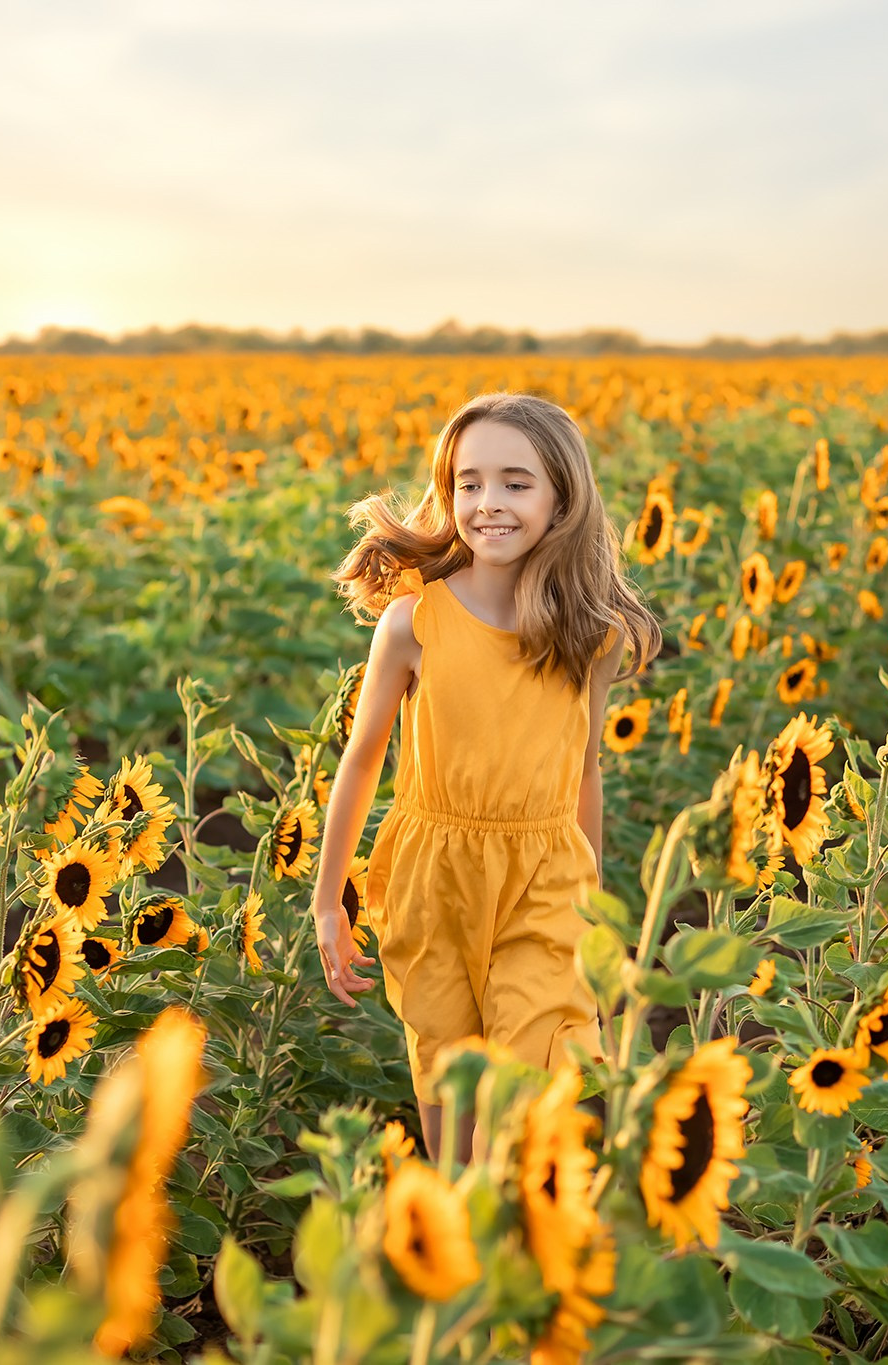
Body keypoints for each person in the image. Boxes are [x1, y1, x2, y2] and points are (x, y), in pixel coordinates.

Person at [311, 391, 662, 1169]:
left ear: (562, 498)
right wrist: (328, 895)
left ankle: (512, 1234)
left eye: (515, 482)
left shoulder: (591, 634)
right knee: (449, 1079)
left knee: (532, 1078)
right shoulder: (413, 622)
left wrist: (596, 909)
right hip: (433, 870)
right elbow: (363, 757)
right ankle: (457, 1244)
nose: (488, 503)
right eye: (469, 483)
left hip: (546, 874)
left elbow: (583, 768)